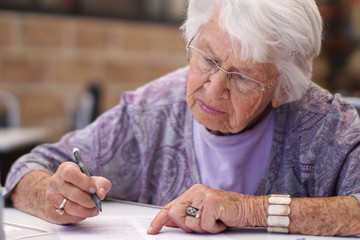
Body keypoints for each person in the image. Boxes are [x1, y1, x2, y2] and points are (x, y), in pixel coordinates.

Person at [5, 0, 360, 237]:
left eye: (244, 77)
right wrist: (52, 196)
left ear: (282, 87)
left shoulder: (324, 125)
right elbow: (29, 169)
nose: (214, 87)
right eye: (207, 59)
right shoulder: (150, 112)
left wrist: (252, 211)